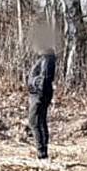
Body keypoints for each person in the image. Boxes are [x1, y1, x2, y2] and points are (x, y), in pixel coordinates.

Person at [26, 32, 57, 160]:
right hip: (38, 94)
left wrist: (36, 91)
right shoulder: (45, 59)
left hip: (39, 95)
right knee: (40, 122)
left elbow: (44, 79)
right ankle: (42, 152)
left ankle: (41, 152)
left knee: (34, 122)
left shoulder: (46, 59)